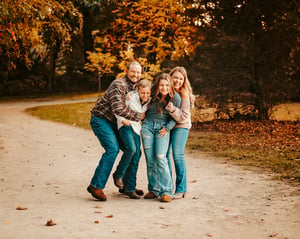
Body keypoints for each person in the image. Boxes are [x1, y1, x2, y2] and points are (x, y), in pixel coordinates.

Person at [87, 61, 145, 201]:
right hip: (101, 119)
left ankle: (127, 185)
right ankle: (96, 185)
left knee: (133, 150)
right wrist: (139, 117)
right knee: (112, 149)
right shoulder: (119, 84)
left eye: (138, 72)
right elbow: (118, 109)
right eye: (133, 71)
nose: (136, 74)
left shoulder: (135, 88)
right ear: (127, 71)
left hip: (117, 123)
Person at [141, 73, 181, 203]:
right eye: (162, 85)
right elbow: (139, 95)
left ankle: (166, 190)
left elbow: (176, 116)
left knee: (160, 157)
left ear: (170, 86)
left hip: (162, 128)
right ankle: (154, 189)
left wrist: (168, 127)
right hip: (147, 126)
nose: (164, 88)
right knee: (150, 159)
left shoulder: (176, 98)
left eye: (167, 85)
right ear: (157, 86)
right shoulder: (151, 94)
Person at [112, 79, 152, 199]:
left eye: (147, 93)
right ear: (137, 90)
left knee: (137, 154)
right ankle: (118, 174)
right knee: (131, 149)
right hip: (125, 125)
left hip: (136, 127)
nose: (145, 95)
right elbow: (118, 108)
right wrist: (121, 119)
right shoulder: (130, 97)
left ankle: (129, 187)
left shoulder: (149, 101)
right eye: (142, 92)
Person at [165, 66, 194, 199]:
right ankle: (167, 187)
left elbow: (183, 116)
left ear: (184, 80)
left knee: (177, 155)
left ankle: (181, 188)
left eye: (181, 78)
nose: (177, 80)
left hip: (181, 126)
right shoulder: (166, 89)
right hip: (168, 125)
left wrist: (171, 109)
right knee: (164, 155)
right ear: (170, 77)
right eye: (175, 77)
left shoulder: (184, 93)